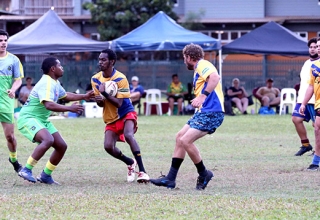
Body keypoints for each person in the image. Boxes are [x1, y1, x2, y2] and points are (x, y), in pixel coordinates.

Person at [150, 43, 224, 190]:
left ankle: (204, 174)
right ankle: (170, 179)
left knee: (185, 140)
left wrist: (203, 96)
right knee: (180, 137)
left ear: (189, 57)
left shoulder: (202, 64)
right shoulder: (199, 68)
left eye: (184, 58)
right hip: (203, 112)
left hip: (212, 112)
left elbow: (215, 77)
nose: (184, 61)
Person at [17, 57, 94, 184]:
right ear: (53, 69)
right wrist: (70, 109)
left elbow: (67, 95)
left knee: (61, 146)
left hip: (41, 119)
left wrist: (84, 96)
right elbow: (49, 105)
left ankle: (45, 175)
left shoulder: (54, 83)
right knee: (48, 140)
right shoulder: (46, 83)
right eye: (60, 65)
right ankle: (26, 169)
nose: (62, 67)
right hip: (28, 118)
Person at [91, 49, 149, 183]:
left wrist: (104, 94)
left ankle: (143, 172)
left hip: (125, 112)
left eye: (104, 60)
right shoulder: (95, 79)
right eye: (99, 59)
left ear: (112, 62)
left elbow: (118, 103)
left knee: (129, 135)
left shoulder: (120, 78)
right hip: (110, 117)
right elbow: (101, 104)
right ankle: (129, 162)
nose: (100, 62)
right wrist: (99, 100)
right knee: (108, 147)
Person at [0, 29, 24, 174]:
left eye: (5, 41)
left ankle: (14, 160)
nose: (3, 43)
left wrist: (13, 89)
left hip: (6, 101)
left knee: (10, 136)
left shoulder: (14, 60)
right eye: (0, 41)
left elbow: (18, 79)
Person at [292, 37, 319, 156]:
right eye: (311, 47)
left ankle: (317, 151)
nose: (313, 49)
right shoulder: (307, 63)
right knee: (296, 119)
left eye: (315, 47)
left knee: (316, 125)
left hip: (315, 100)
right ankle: (306, 145)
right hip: (303, 99)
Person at [299, 37, 320, 171]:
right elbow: (311, 86)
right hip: (318, 102)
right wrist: (303, 103)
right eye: (317, 46)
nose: (318, 48)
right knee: (317, 129)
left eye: (319, 46)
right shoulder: (315, 66)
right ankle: (316, 161)